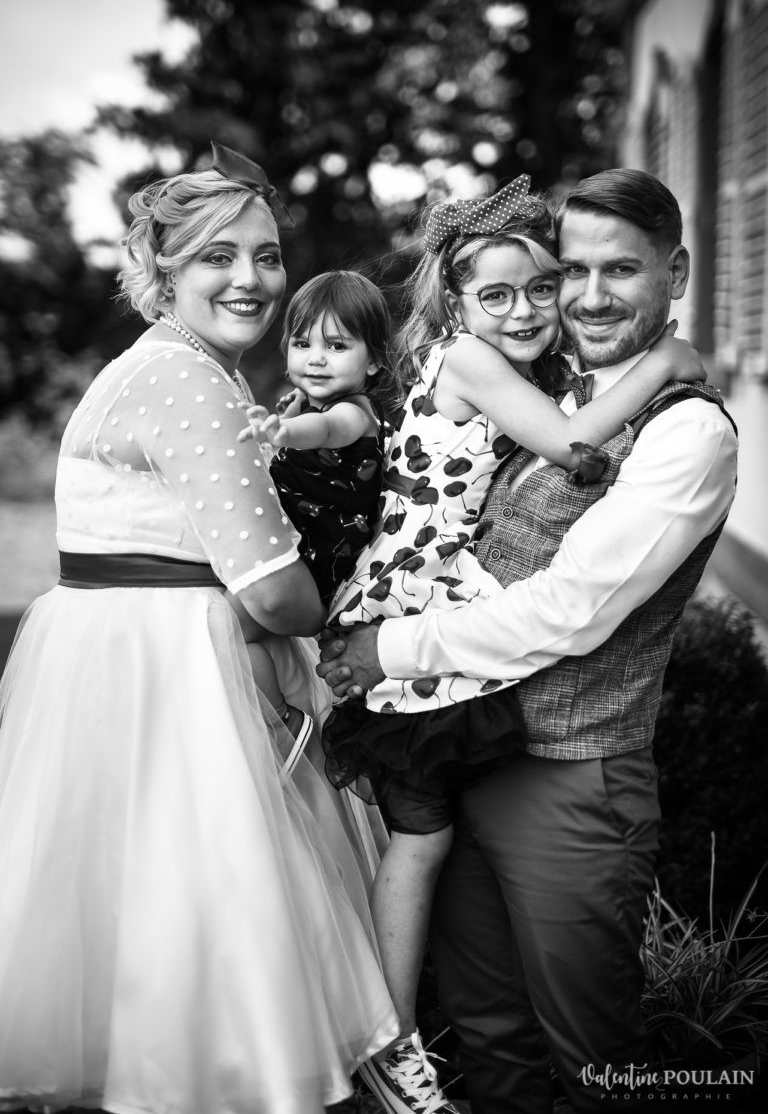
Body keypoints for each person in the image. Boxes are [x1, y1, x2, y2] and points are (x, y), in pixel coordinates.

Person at [317, 167, 738, 1114]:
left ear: (674, 273)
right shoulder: (535, 385)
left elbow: (570, 610)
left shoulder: (688, 432)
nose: (588, 297)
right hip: (469, 750)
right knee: (489, 1037)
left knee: (598, 1060)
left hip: (573, 781)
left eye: (619, 270)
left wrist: (387, 651)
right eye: (571, 271)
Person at [0, 142, 399, 1114]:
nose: (251, 278)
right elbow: (274, 593)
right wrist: (347, 612)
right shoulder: (188, 380)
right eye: (219, 256)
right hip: (171, 676)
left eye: (266, 255)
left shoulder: (172, 369)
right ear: (165, 268)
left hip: (130, 656)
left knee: (150, 914)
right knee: (203, 920)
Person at [234, 269, 398, 748]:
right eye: (302, 343)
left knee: (225, 631)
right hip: (294, 549)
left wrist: (285, 432)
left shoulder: (355, 414)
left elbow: (327, 431)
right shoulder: (304, 406)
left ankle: (284, 726)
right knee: (231, 631)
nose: (316, 358)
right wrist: (286, 422)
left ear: (374, 361)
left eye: (337, 346)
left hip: (315, 565)